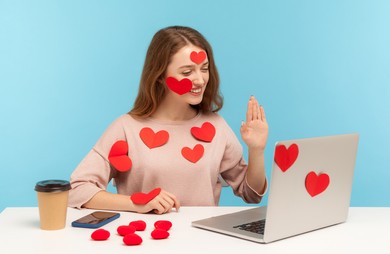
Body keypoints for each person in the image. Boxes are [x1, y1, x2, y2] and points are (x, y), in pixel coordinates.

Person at [68, 26, 268, 214]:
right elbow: (76, 189)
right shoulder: (126, 128)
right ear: (160, 76)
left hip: (203, 243)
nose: (200, 80)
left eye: (204, 68)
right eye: (187, 72)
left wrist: (256, 150)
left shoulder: (217, 127)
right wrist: (136, 202)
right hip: (144, 242)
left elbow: (251, 194)